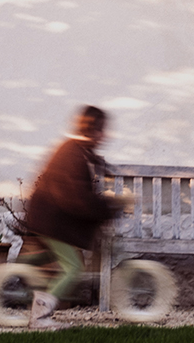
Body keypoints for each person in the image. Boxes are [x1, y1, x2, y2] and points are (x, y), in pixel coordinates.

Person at [19, 104, 121, 329]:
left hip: (51, 220)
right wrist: (107, 208)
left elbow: (91, 166)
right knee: (73, 267)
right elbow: (78, 199)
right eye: (102, 130)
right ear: (92, 130)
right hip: (52, 222)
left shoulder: (77, 149)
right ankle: (39, 318)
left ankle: (20, 267)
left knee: (55, 255)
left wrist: (106, 170)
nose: (105, 135)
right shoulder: (72, 155)